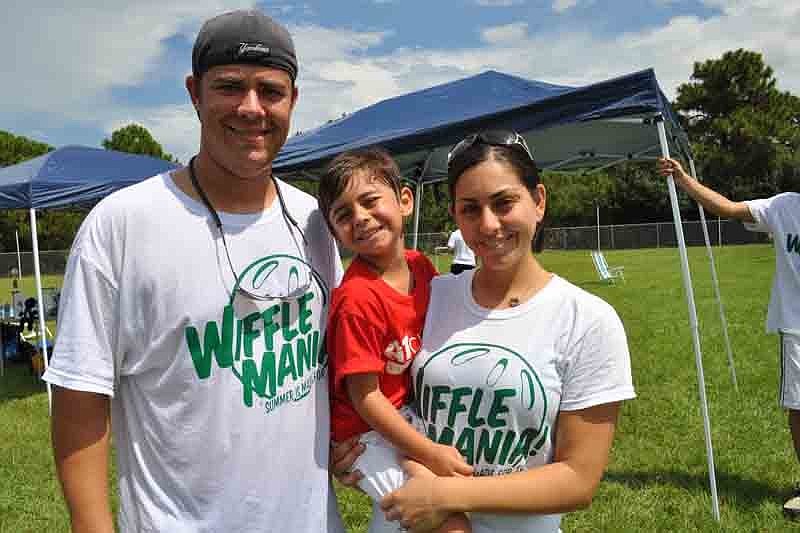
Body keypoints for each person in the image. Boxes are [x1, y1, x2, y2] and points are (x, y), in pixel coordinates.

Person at [42, 10, 346, 532]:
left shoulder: (316, 221)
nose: (252, 108)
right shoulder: (122, 226)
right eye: (230, 87)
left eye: (270, 91)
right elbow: (79, 399)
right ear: (194, 93)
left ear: (293, 100)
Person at [380, 130, 636, 532]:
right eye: (470, 209)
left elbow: (578, 479)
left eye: (504, 203)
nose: (488, 225)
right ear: (455, 217)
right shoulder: (429, 296)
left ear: (539, 201)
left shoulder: (587, 321)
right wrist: (351, 446)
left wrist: (444, 496)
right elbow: (381, 395)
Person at [319, 147, 472, 532]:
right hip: (363, 434)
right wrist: (429, 452)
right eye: (343, 214)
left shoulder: (421, 266)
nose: (361, 218)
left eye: (370, 201)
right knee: (443, 520)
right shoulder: (357, 299)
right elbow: (365, 397)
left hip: (404, 418)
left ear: (405, 200)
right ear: (334, 231)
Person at [659, 156, 800, 518]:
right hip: (797, 328)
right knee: (799, 409)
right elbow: (727, 208)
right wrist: (684, 180)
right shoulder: (784, 207)